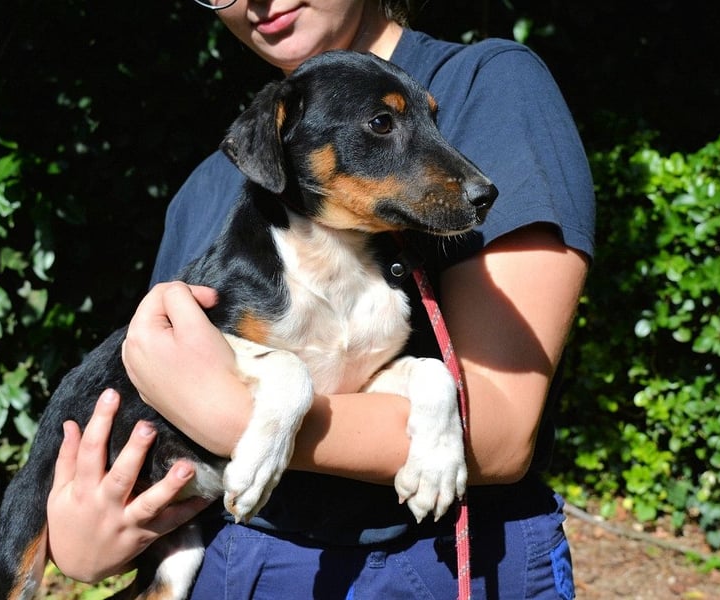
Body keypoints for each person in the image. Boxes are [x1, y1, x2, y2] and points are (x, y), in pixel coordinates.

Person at [44, 0, 594, 598]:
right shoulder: (204, 191)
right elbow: (155, 420)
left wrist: (237, 419)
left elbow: (502, 430)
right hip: (227, 566)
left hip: (432, 563)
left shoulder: (484, 88)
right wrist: (86, 541)